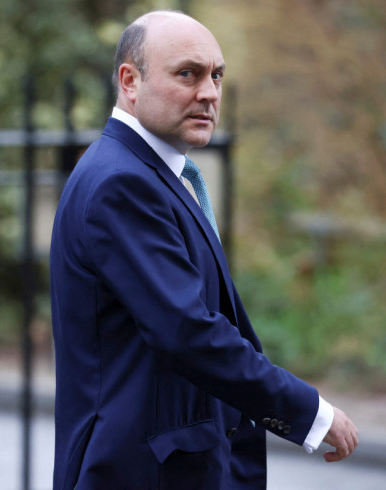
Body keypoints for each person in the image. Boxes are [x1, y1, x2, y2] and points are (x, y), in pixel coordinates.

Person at [49, 10, 358, 489]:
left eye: (216, 76)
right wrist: (310, 413)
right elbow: (187, 331)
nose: (210, 93)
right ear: (130, 81)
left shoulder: (147, 173)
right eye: (187, 74)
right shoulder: (123, 182)